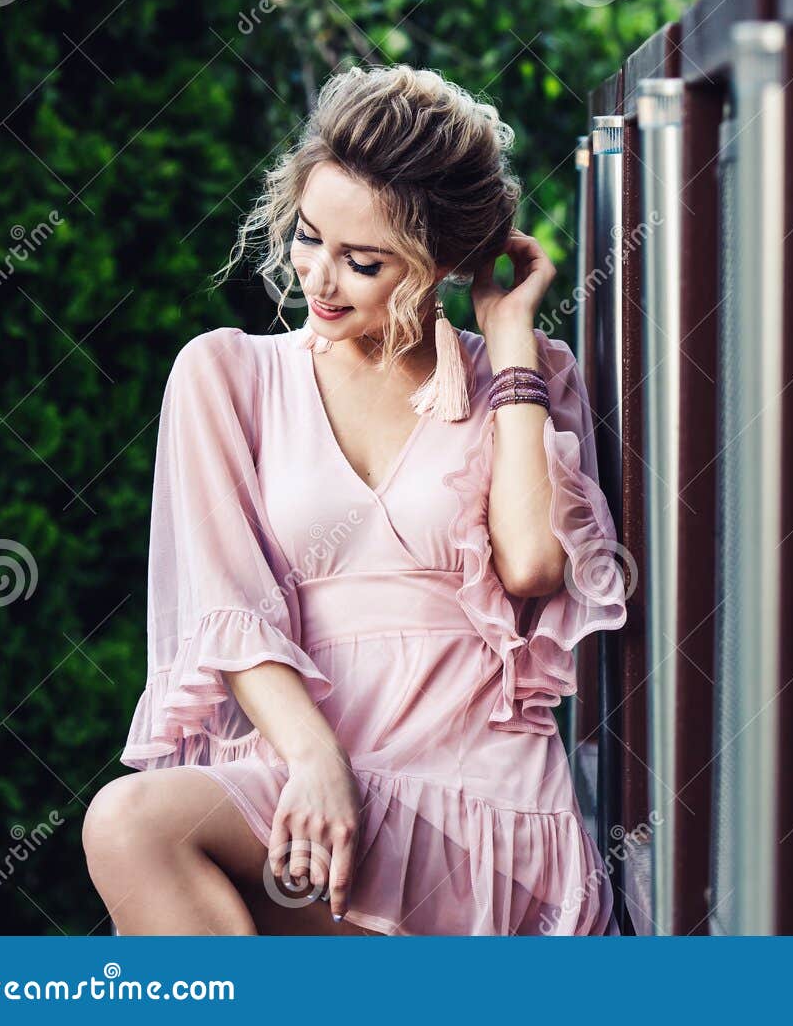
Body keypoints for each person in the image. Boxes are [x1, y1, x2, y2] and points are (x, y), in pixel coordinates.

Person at [81, 64, 628, 935]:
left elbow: (530, 564)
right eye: (307, 238)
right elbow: (230, 610)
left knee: (132, 830)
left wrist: (511, 337)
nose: (320, 280)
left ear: (439, 262)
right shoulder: (227, 375)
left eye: (362, 261)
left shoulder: (519, 382)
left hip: (479, 812)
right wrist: (316, 757)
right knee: (134, 825)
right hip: (305, 785)